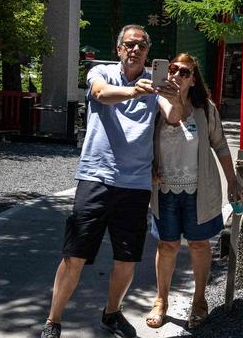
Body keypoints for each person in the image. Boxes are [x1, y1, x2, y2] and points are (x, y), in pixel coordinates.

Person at [41, 25, 180, 338]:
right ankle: (53, 320)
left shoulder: (156, 85)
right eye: (129, 45)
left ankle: (112, 312)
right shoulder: (100, 72)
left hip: (135, 184)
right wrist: (134, 91)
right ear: (119, 49)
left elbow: (173, 117)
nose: (135, 50)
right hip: (96, 177)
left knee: (126, 258)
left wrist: (176, 92)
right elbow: (101, 95)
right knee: (74, 254)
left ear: (147, 53)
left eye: (141, 46)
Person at [146, 53, 243, 330]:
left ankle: (199, 301)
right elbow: (141, 140)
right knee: (167, 245)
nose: (177, 75)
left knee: (200, 245)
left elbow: (221, 145)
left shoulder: (205, 108)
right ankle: (161, 300)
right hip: (165, 187)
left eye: (184, 72)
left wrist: (233, 182)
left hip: (198, 189)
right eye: (173, 70)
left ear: (193, 79)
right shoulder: (157, 103)